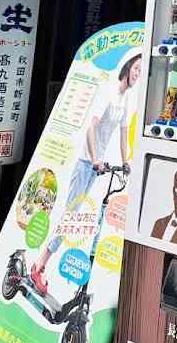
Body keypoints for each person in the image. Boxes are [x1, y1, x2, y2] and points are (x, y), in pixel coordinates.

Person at [29, 48, 141, 294]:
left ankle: (42, 265)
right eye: (136, 69)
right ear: (127, 67)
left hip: (97, 167)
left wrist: (126, 162)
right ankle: (38, 266)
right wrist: (95, 158)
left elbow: (123, 134)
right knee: (69, 217)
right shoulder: (109, 92)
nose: (138, 74)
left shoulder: (126, 100)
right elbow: (91, 128)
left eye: (141, 72)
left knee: (75, 216)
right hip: (85, 163)